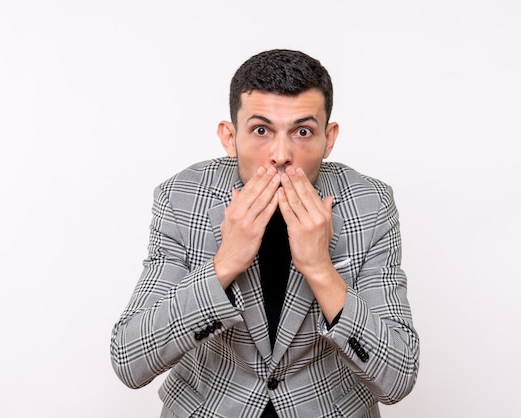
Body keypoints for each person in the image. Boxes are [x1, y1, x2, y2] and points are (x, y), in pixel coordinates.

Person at [110, 49, 419, 418]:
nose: (281, 154)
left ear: (329, 138)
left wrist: (320, 269)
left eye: (303, 132)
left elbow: (399, 377)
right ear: (229, 136)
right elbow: (129, 360)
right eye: (261, 130)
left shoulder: (370, 205)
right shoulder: (182, 198)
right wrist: (225, 263)